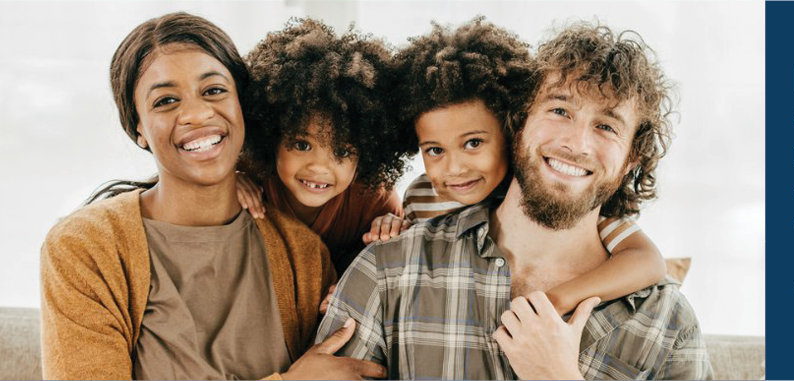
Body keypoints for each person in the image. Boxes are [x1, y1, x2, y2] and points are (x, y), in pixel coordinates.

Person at [316, 21, 712, 379]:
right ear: (519, 121)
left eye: (606, 126)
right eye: (560, 110)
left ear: (630, 162)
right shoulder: (386, 272)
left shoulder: (667, 324)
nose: (576, 143)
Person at [39, 12, 383, 380]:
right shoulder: (86, 249)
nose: (197, 113)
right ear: (137, 127)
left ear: (242, 106)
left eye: (214, 91)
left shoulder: (303, 255)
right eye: (166, 100)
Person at [371, 16, 667, 315]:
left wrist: (557, 300)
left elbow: (648, 260)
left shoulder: (541, 188)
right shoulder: (420, 195)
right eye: (435, 150)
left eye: (473, 143)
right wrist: (389, 226)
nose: (456, 168)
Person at [238, 18, 408, 274]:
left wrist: (393, 228)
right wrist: (222, 184)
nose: (319, 166)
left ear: (365, 155)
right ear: (270, 138)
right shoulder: (250, 172)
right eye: (301, 144)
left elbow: (397, 267)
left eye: (341, 151)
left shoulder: (374, 200)